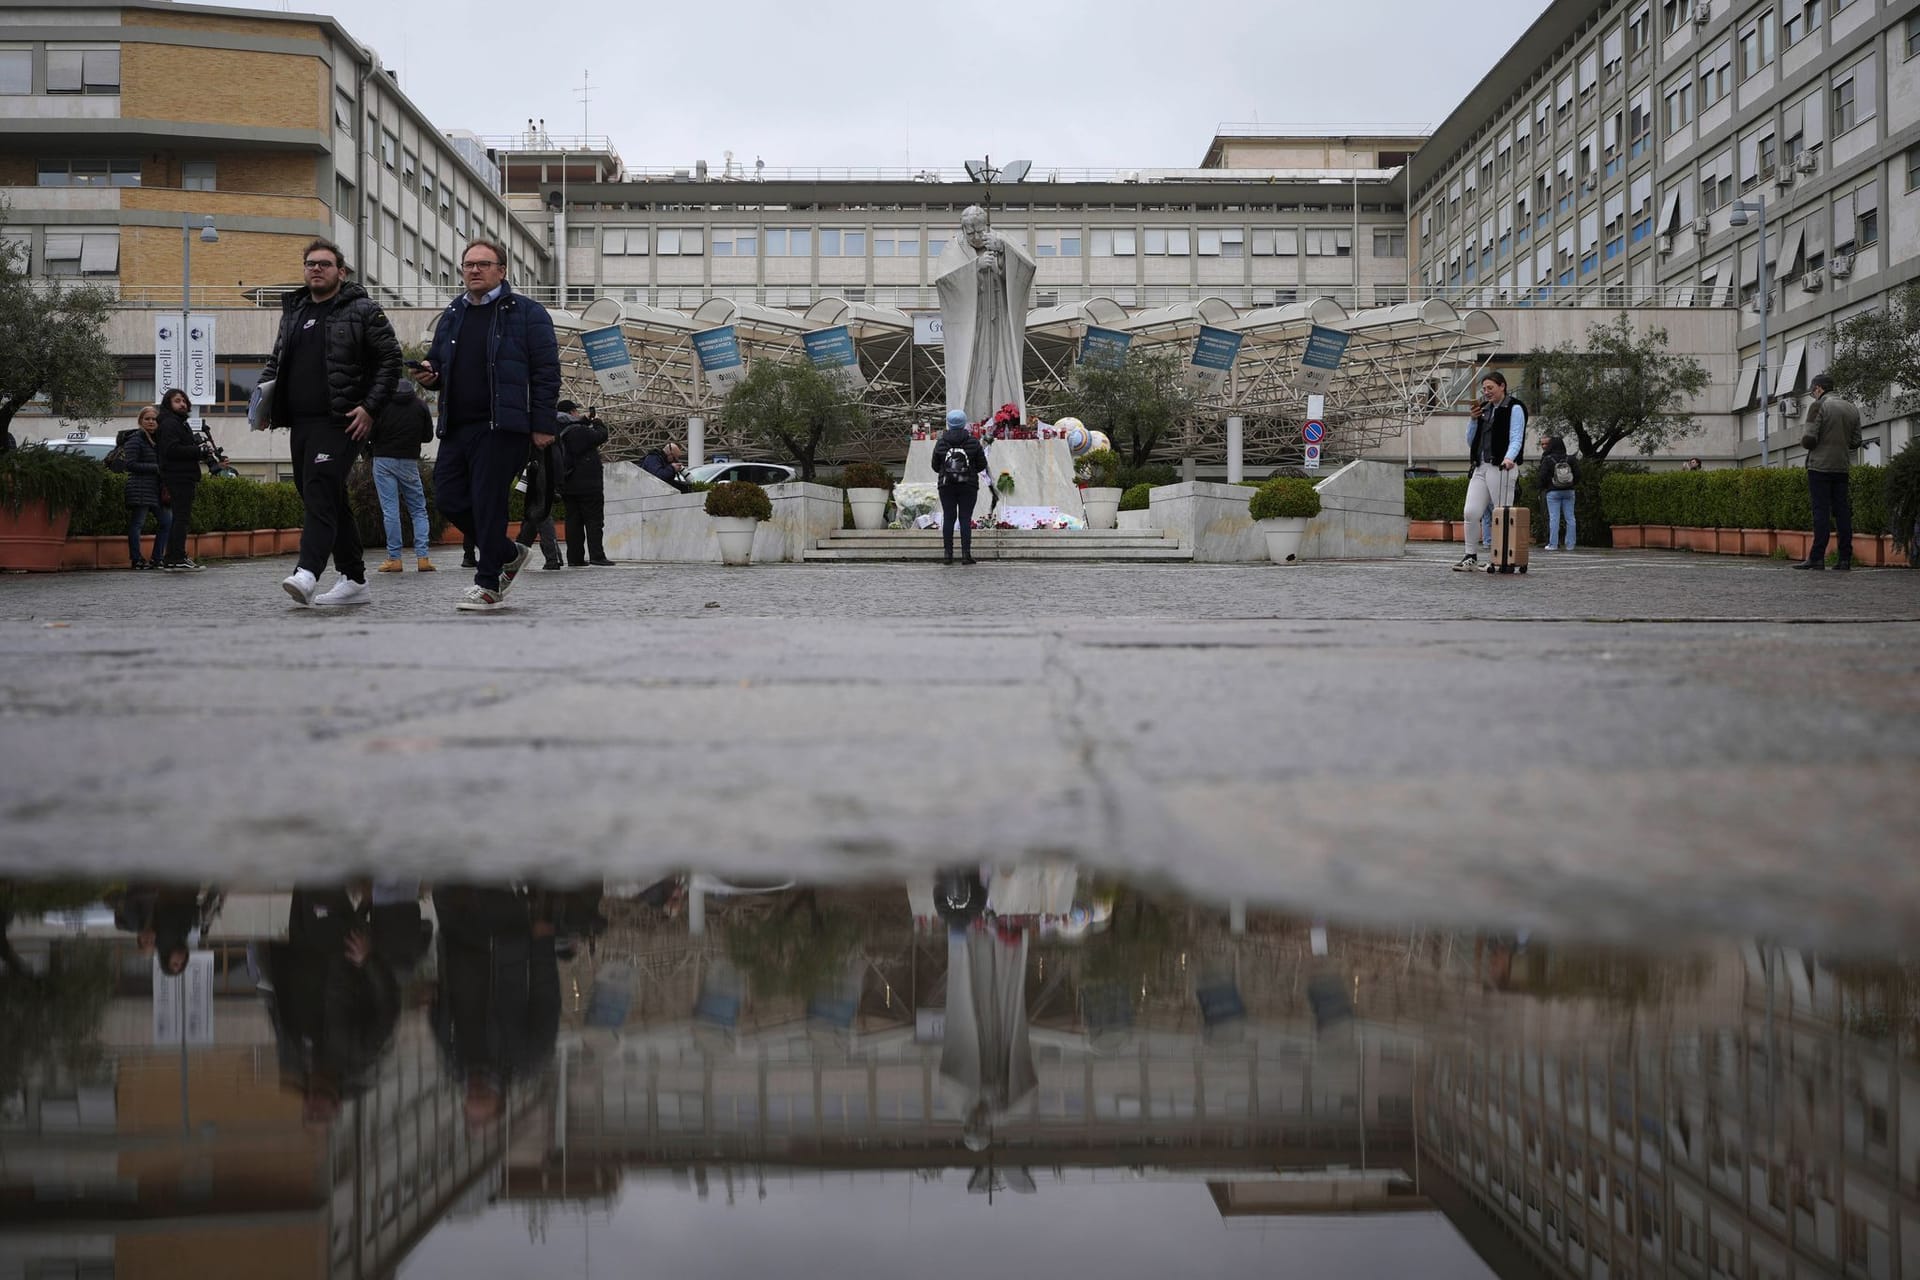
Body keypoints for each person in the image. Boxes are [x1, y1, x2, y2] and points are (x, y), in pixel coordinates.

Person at [413, 237, 561, 613]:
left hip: (503, 425)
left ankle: (488, 583)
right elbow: (438, 362)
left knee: (487, 501)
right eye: (468, 265)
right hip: (457, 425)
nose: (474, 270)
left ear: (501, 270)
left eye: (483, 264)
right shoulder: (453, 313)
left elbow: (546, 373)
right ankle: (508, 552)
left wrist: (543, 424)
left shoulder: (527, 313)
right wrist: (431, 374)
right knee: (447, 497)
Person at [261, 238, 404, 607]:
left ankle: (308, 572)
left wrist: (370, 408)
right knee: (321, 494)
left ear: (341, 272)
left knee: (321, 486)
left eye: (325, 264)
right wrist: (262, 403)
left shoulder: (363, 310)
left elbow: (391, 361)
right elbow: (277, 361)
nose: (316, 269)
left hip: (343, 420)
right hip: (301, 422)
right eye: (310, 263)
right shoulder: (294, 310)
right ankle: (355, 579)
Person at [430, 885, 560, 1130]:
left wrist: (432, 1001)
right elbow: (546, 999)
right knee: (487, 871)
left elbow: (440, 1024)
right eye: (483, 1097)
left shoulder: (454, 1065)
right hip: (503, 941)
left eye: (471, 1098)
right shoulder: (528, 1060)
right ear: (500, 1098)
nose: (475, 1091)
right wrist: (542, 945)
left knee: (446, 871)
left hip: (455, 939)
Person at [934, 206, 1036, 423]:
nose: (976, 237)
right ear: (962, 229)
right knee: (973, 368)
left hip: (999, 320)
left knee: (1002, 364)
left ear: (986, 226)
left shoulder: (1001, 239)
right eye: (970, 233)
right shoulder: (953, 248)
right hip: (973, 323)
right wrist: (975, 267)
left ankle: (1005, 416)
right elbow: (944, 282)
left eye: (980, 231)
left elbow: (1028, 268)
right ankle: (972, 418)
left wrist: (1004, 252)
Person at [1454, 371, 1526, 572]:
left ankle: (1501, 557)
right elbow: (1471, 441)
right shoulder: (1483, 409)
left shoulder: (1515, 407)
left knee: (1501, 513)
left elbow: (1516, 437)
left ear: (1502, 386)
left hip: (1501, 466)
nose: (1486, 392)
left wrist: (1509, 457)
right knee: (1471, 511)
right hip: (1480, 466)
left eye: (1490, 388)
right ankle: (1470, 556)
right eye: (1484, 389)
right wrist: (1473, 420)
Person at [1794, 373, 1863, 571]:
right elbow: (1856, 441)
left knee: (1821, 512)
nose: (1812, 395)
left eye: (1812, 391)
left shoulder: (1818, 406)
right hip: (1842, 466)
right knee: (1842, 513)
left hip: (1819, 467)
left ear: (1818, 389)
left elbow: (1809, 439)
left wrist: (1814, 443)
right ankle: (1844, 559)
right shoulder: (1851, 407)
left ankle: (1817, 557)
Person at [371, 379, 436, 574]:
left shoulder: (382, 404)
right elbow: (428, 436)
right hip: (409, 461)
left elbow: (371, 432)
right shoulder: (420, 405)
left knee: (390, 510)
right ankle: (423, 558)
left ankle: (394, 559)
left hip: (383, 460)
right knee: (418, 509)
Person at [154, 388, 205, 571]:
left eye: (184, 400)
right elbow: (172, 450)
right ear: (168, 403)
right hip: (178, 476)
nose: (182, 404)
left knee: (181, 518)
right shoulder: (170, 423)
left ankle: (174, 556)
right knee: (180, 519)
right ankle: (176, 556)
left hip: (184, 475)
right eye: (177, 400)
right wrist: (197, 451)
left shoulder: (179, 423)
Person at [557, 401, 614, 566]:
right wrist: (597, 422)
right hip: (588, 484)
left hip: (567, 483)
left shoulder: (558, 428)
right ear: (572, 412)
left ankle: (575, 558)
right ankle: (597, 556)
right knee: (594, 521)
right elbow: (600, 436)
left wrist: (584, 420)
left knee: (573, 522)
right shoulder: (576, 431)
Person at [932, 408, 989, 565]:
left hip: (946, 485)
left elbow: (935, 466)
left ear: (948, 424)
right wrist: (969, 471)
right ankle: (966, 554)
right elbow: (982, 464)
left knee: (949, 518)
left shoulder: (941, 442)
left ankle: (948, 555)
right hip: (968, 485)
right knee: (965, 519)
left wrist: (946, 471)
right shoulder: (973, 441)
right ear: (964, 424)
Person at [122, 405, 172, 570]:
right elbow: (130, 464)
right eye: (147, 419)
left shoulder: (158, 440)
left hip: (156, 490)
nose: (151, 422)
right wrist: (156, 467)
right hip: (140, 488)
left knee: (167, 521)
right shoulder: (135, 439)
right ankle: (136, 559)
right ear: (141, 421)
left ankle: (157, 558)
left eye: (154, 419)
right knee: (138, 524)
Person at [1536, 434, 1578, 552]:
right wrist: (1572, 484)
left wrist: (1543, 488)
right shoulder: (1570, 459)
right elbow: (1578, 475)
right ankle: (1570, 545)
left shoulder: (1548, 459)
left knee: (1554, 518)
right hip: (1569, 491)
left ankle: (1553, 544)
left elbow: (1542, 477)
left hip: (1553, 492)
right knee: (1570, 518)